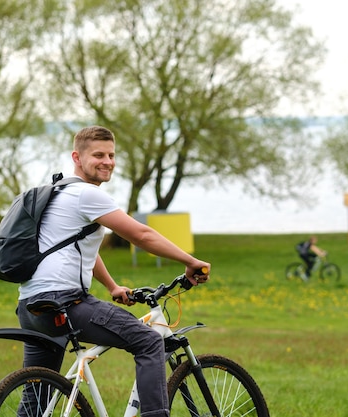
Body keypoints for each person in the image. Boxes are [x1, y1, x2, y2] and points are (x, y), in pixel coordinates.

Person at [16, 125, 210, 417]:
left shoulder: (55, 193)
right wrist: (190, 261)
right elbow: (142, 235)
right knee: (149, 341)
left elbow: (78, 249)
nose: (107, 161)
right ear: (77, 157)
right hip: (66, 301)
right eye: (98, 155)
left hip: (31, 306)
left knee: (36, 398)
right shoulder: (86, 195)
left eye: (111, 154)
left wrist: (111, 286)